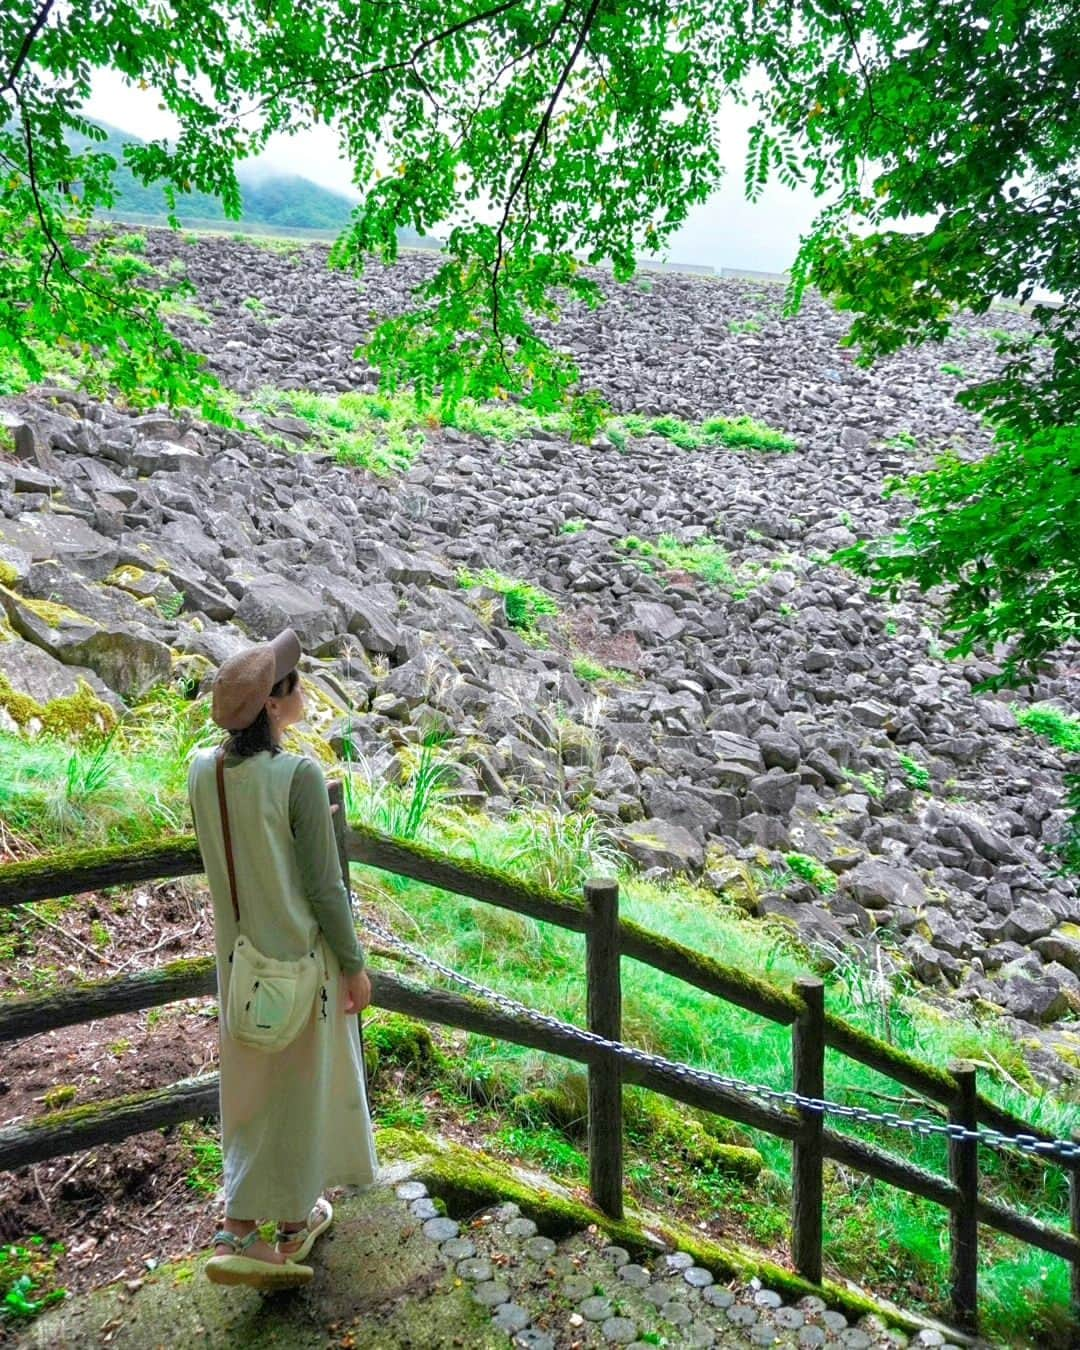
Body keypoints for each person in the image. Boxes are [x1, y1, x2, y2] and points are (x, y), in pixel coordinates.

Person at [187, 627, 376, 1289]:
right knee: (296, 1096)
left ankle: (295, 1222)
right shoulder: (298, 777)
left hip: (238, 966)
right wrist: (353, 964)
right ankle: (239, 1231)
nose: (304, 687)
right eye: (292, 683)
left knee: (251, 1095)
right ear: (273, 704)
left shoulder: (201, 769)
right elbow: (325, 886)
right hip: (297, 963)